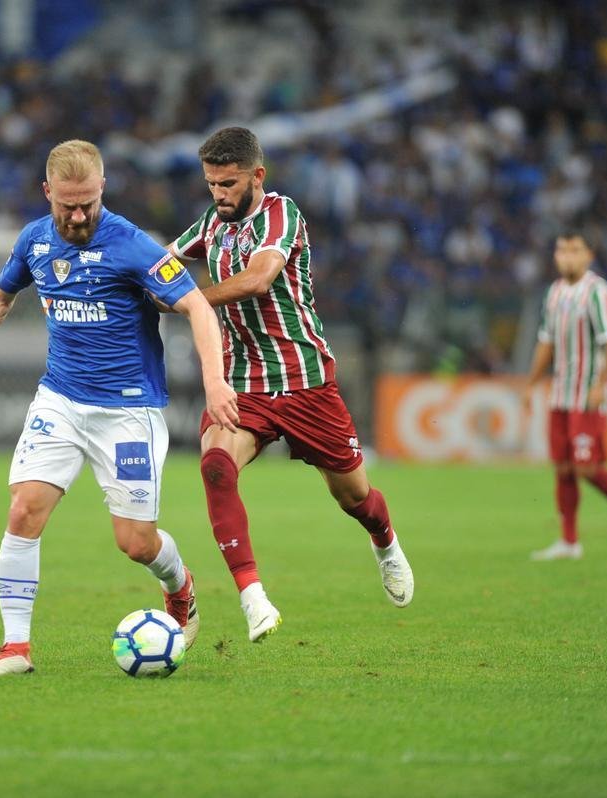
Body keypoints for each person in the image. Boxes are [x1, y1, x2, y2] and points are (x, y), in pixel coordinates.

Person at [0, 140, 239, 676]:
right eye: (68, 205)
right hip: (61, 400)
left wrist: (215, 381)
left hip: (128, 412)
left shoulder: (132, 245)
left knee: (135, 543)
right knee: (24, 510)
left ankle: (179, 584)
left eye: (88, 202)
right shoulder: (34, 240)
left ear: (102, 189)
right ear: (48, 192)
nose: (79, 215)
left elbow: (198, 308)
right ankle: (16, 647)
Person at [168, 126, 414, 643]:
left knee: (354, 497)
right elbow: (161, 264)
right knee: (216, 466)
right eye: (211, 184)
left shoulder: (282, 214)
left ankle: (385, 541)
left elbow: (258, 279)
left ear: (257, 176)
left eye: (229, 184)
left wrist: (189, 301)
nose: (219, 194)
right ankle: (253, 597)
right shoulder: (212, 223)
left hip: (305, 382)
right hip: (243, 384)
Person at [524, 232, 607, 560]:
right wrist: (531, 384)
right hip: (560, 394)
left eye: (575, 250)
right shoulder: (555, 292)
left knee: (586, 467)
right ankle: (569, 542)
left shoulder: (599, 292)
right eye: (562, 250)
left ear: (589, 255)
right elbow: (546, 342)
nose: (567, 256)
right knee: (563, 467)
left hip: (587, 395)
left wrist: (600, 383)